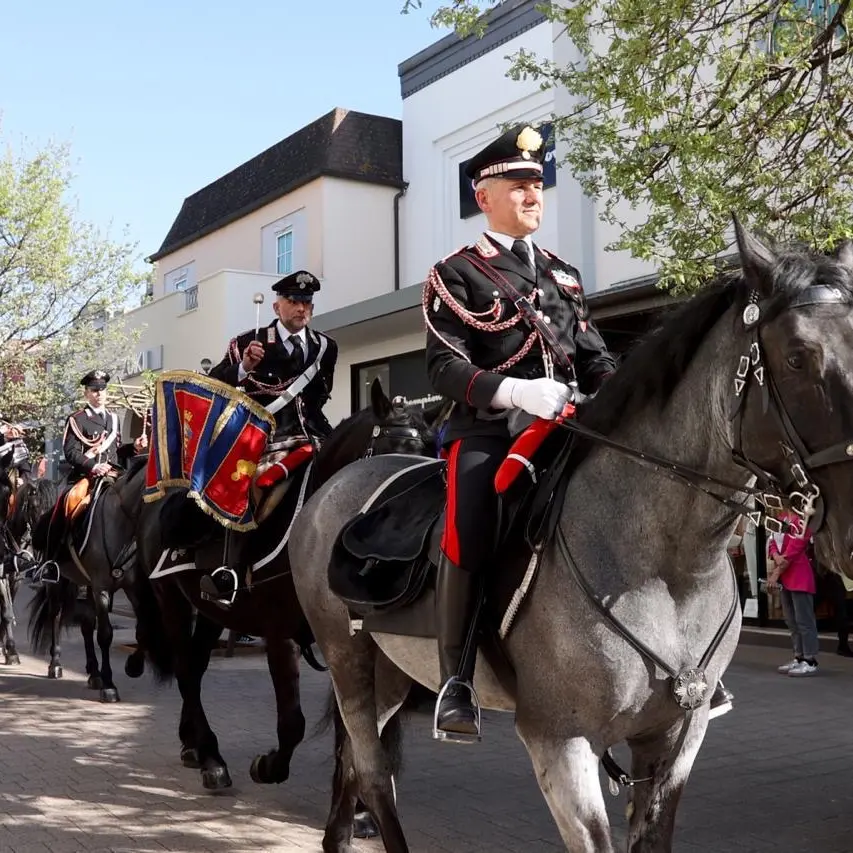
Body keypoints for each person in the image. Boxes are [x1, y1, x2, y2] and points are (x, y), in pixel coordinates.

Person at [424, 123, 732, 741]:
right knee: (471, 522)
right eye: (518, 185)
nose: (533, 195)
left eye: (537, 184)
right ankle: (457, 679)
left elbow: (592, 355)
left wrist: (613, 394)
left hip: (571, 423)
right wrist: (515, 392)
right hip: (491, 430)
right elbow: (444, 365)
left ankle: (690, 658)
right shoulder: (455, 273)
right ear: (482, 196)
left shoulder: (564, 276)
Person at [199, 270, 338, 604]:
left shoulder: (326, 347)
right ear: (277, 307)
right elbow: (216, 386)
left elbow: (319, 398)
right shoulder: (249, 342)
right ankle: (230, 569)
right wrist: (244, 368)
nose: (300, 308)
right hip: (265, 437)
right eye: (293, 301)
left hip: (314, 434)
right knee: (250, 485)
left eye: (306, 302)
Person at [38, 370, 147, 581]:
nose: (99, 394)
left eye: (102, 390)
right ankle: (51, 560)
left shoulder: (113, 419)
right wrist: (92, 467)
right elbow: (70, 453)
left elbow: (115, 453)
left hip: (114, 474)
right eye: (94, 390)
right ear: (87, 393)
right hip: (86, 476)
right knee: (68, 501)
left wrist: (133, 447)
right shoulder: (77, 419)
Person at [768, 512, 820, 677]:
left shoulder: (802, 519)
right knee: (791, 620)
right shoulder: (780, 517)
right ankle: (799, 656)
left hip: (799, 575)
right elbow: (771, 540)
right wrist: (776, 556)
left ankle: (810, 659)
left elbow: (796, 545)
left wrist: (778, 568)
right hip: (785, 575)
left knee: (804, 620)